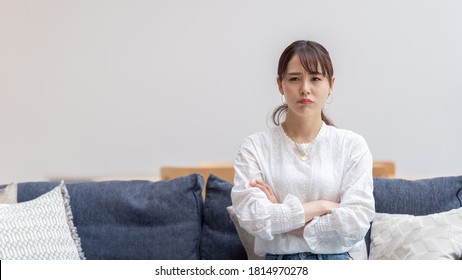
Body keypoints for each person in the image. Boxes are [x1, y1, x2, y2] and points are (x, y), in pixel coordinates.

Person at [230, 40, 375, 260]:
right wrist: (322, 206)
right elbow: (254, 218)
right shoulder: (255, 146)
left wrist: (281, 214)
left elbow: (355, 222)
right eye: (295, 78)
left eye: (315, 78)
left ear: (331, 84)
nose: (305, 88)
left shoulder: (351, 145)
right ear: (280, 84)